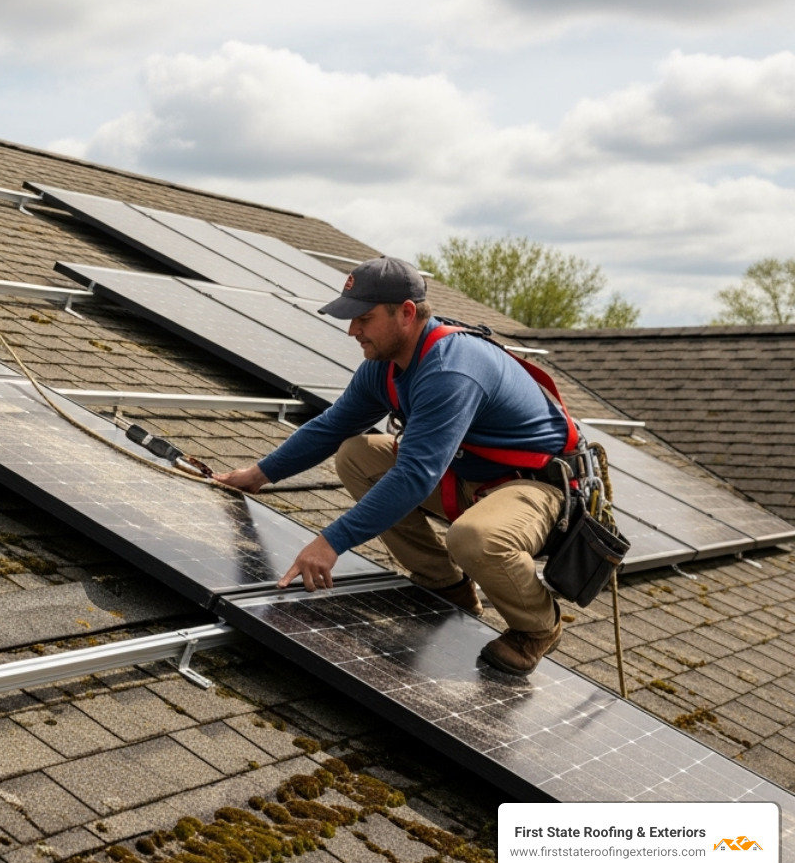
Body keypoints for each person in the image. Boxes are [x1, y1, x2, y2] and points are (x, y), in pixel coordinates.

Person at [215, 257, 575, 675]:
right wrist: (258, 475)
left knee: (474, 538)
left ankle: (537, 627)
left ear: (406, 313)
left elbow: (415, 475)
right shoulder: (385, 366)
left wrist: (331, 542)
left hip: (535, 489)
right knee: (356, 454)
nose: (353, 330)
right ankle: (447, 585)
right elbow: (332, 426)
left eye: (364, 318)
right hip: (468, 476)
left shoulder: (451, 367)